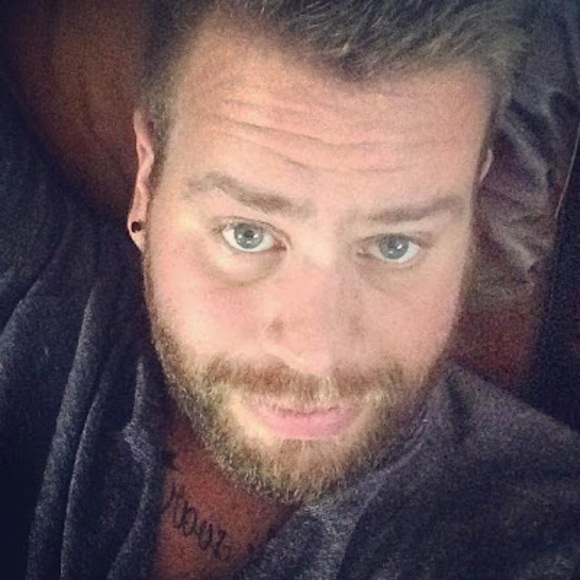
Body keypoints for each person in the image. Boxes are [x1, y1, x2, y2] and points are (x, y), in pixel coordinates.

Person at [1, 0, 579, 578]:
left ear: (472, 205)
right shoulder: (33, 294)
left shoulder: (536, 526)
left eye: (395, 245)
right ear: (148, 184)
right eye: (248, 234)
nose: (314, 354)